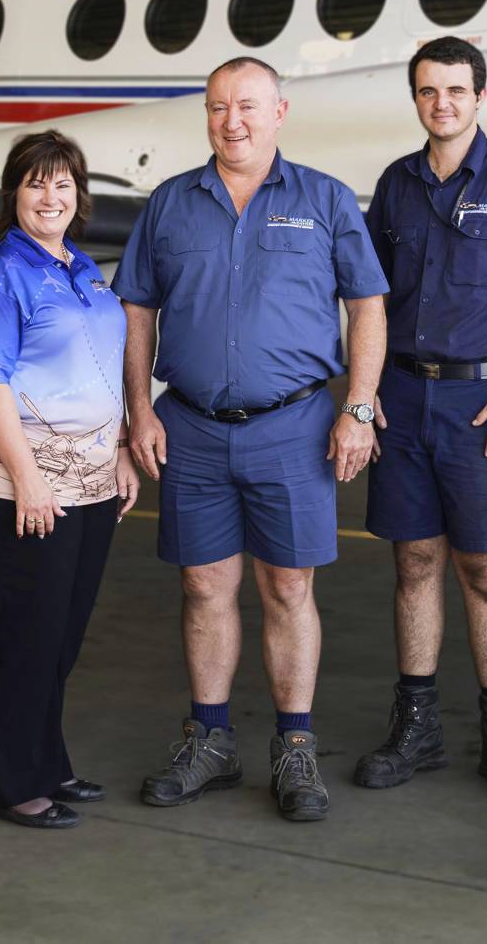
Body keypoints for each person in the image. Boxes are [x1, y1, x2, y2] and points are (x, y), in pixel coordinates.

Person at [116, 56, 388, 823]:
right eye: (216, 108)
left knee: (288, 588)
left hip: (295, 427)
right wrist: (139, 409)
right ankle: (209, 739)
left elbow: (367, 306)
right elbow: (136, 311)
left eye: (246, 107)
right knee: (204, 586)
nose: (230, 121)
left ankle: (295, 749)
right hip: (192, 427)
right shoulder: (171, 204)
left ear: (279, 112)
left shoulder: (326, 200)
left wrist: (359, 407)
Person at [354, 36, 487, 803]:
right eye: (427, 91)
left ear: (479, 96)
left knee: (486, 571)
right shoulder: (396, 184)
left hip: (484, 404)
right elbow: (370, 299)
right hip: (405, 400)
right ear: (415, 99)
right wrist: (366, 386)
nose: (440, 103)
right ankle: (416, 727)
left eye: (454, 90)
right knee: (413, 562)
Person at [0, 131, 139, 830]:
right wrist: (29, 480)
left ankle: (46, 759)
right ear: (14, 195)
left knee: (59, 632)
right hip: (17, 484)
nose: (49, 197)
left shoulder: (85, 270)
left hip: (88, 479)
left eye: (62, 184)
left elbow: (102, 366)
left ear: (79, 196)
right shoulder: (0, 275)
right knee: (22, 633)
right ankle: (10, 782)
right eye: (35, 184)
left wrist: (118, 444)